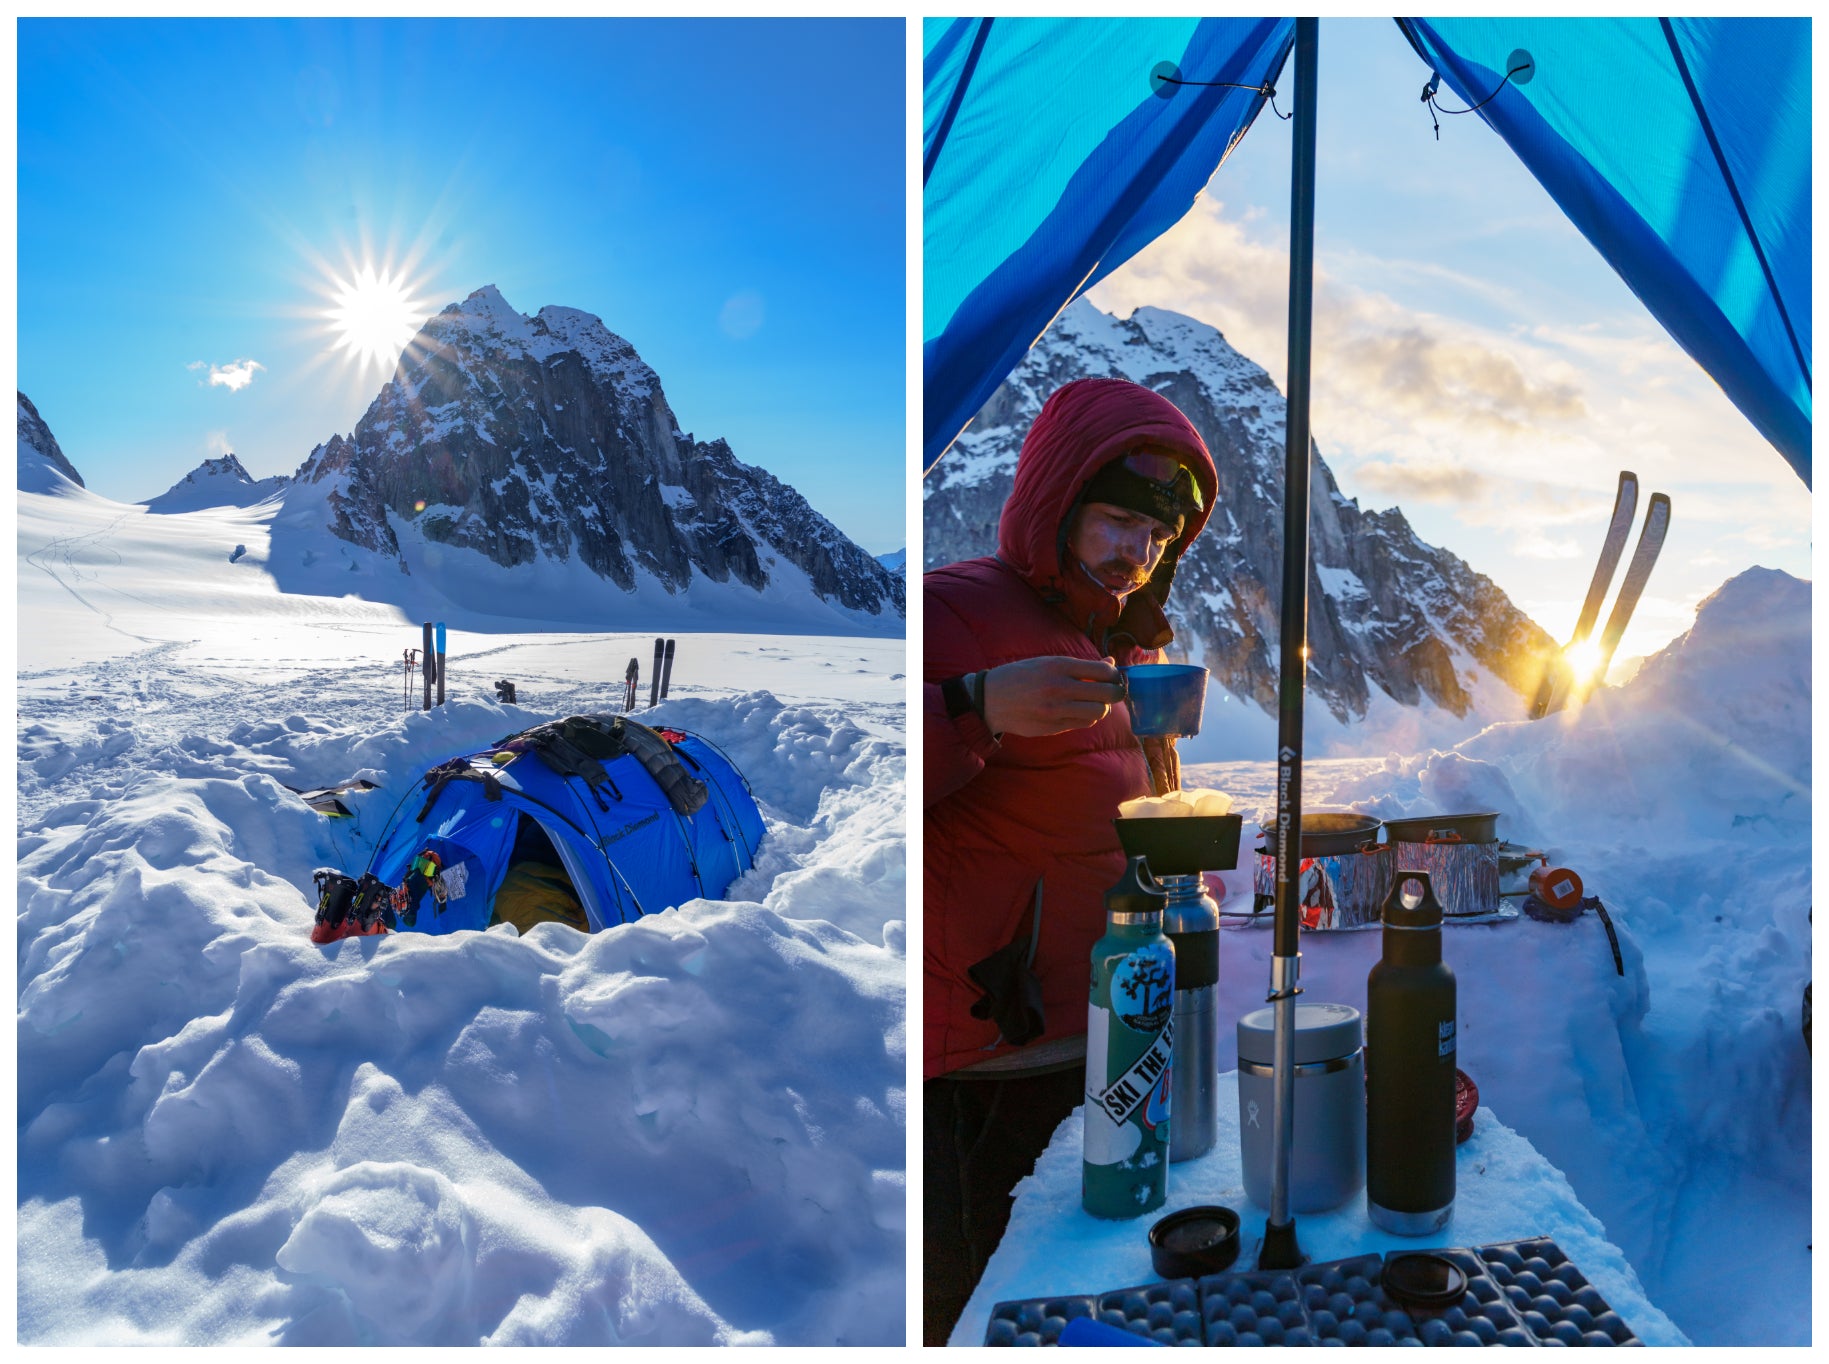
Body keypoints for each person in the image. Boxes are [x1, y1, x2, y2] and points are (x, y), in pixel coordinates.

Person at [924, 376, 1217, 1342]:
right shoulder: (955, 610)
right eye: (1117, 522)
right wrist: (967, 705)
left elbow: (1098, 819)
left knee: (1076, 1289)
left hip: (1104, 1032)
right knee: (982, 1305)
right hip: (987, 1058)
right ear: (1057, 506)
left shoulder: (1120, 643)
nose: (1136, 552)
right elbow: (878, 782)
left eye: (1156, 537)